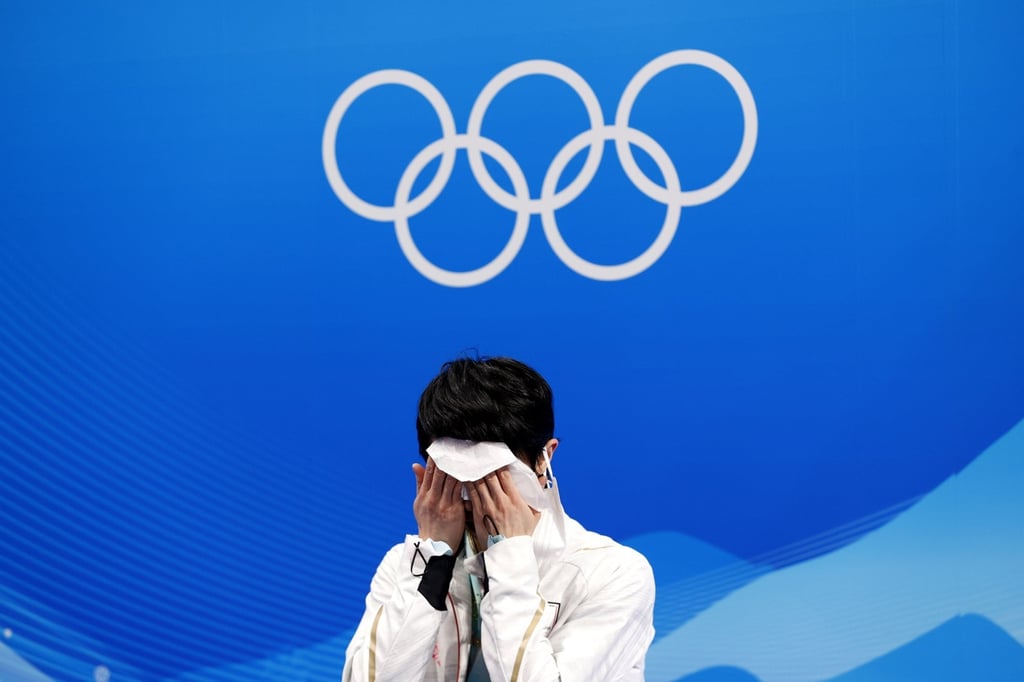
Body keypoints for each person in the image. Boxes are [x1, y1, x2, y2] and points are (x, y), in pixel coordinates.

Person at [343, 356, 655, 681]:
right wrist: (432, 562)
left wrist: (509, 556)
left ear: (544, 458)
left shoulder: (613, 573)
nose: (472, 493)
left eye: (492, 475)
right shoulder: (403, 566)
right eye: (451, 473)